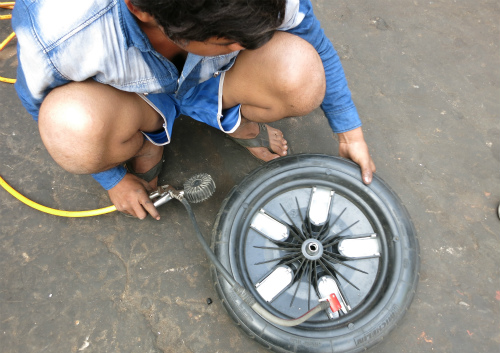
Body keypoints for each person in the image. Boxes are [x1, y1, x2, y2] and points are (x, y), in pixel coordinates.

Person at [12, 0, 375, 220]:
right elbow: (35, 100)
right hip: (129, 95)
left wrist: (349, 130)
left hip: (211, 74)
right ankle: (145, 135)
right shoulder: (61, 31)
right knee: (70, 129)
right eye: (231, 40)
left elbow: (309, 33)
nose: (251, 44)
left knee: (301, 76)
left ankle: (233, 116)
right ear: (141, 9)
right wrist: (114, 180)